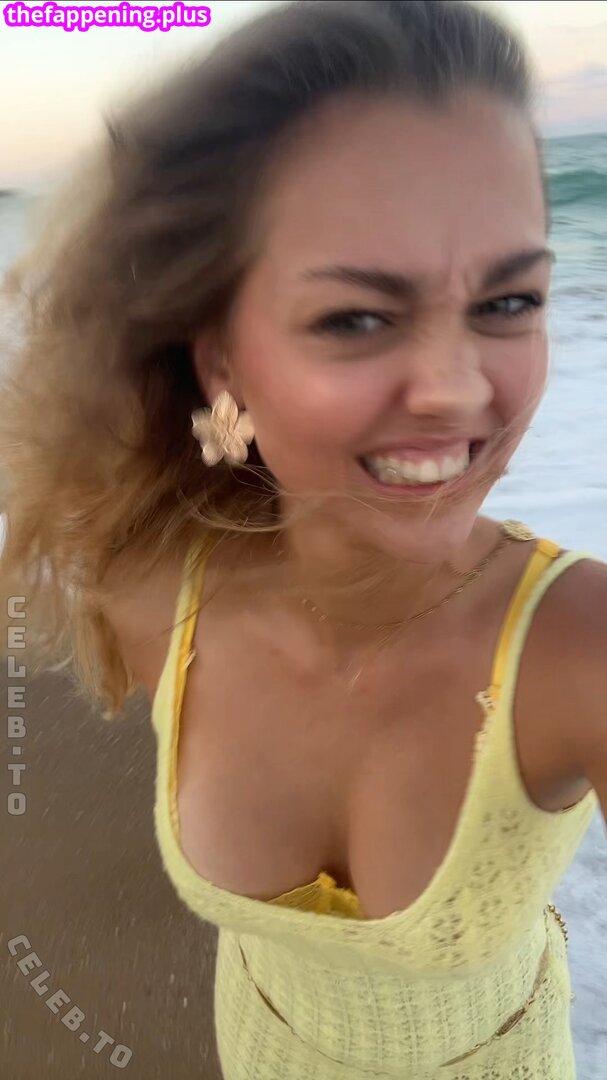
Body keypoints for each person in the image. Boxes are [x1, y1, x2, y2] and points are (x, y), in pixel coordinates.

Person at [1, 1, 606, 1077]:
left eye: (508, 301)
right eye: (356, 318)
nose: (454, 388)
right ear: (219, 360)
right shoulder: (152, 596)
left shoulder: (579, 651)